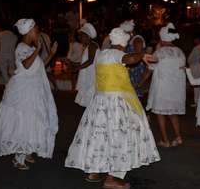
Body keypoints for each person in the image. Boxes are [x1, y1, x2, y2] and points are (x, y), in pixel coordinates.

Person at [65, 27, 160, 189]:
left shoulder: (102, 54)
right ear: (123, 43)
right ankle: (113, 177)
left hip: (100, 102)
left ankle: (94, 170)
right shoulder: (117, 54)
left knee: (99, 135)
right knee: (121, 136)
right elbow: (129, 59)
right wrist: (142, 54)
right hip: (117, 103)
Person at [0, 19, 58, 170]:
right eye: (36, 29)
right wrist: (38, 49)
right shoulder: (21, 47)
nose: (38, 32)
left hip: (33, 90)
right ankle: (19, 158)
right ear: (29, 31)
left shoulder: (30, 48)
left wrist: (50, 54)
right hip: (23, 91)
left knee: (33, 119)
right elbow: (26, 65)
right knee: (22, 121)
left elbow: (39, 66)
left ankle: (26, 149)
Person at [142, 23, 186, 147]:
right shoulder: (180, 52)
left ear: (162, 38)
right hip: (175, 90)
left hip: (162, 89)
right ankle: (178, 137)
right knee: (173, 114)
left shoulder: (159, 53)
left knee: (160, 114)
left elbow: (149, 69)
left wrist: (139, 83)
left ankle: (165, 140)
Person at [74, 22, 100, 107]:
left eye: (81, 36)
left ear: (87, 36)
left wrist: (78, 68)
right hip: (89, 73)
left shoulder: (92, 45)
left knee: (90, 94)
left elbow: (90, 60)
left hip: (92, 75)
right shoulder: (89, 46)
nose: (80, 37)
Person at [121, 19, 146, 98]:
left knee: (135, 92)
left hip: (136, 68)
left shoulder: (137, 40)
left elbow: (139, 55)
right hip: (132, 67)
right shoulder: (132, 39)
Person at [187, 33, 200, 107]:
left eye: (195, 39)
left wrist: (189, 62)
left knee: (196, 85)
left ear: (198, 39)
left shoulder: (196, 48)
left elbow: (190, 59)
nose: (194, 40)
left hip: (196, 68)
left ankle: (197, 102)